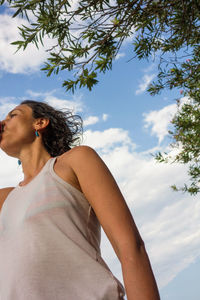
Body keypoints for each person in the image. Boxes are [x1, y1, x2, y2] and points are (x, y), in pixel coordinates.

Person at [0, 100, 160, 300]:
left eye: (12, 115)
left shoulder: (75, 161)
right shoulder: (4, 199)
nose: (2, 123)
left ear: (40, 123)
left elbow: (130, 246)